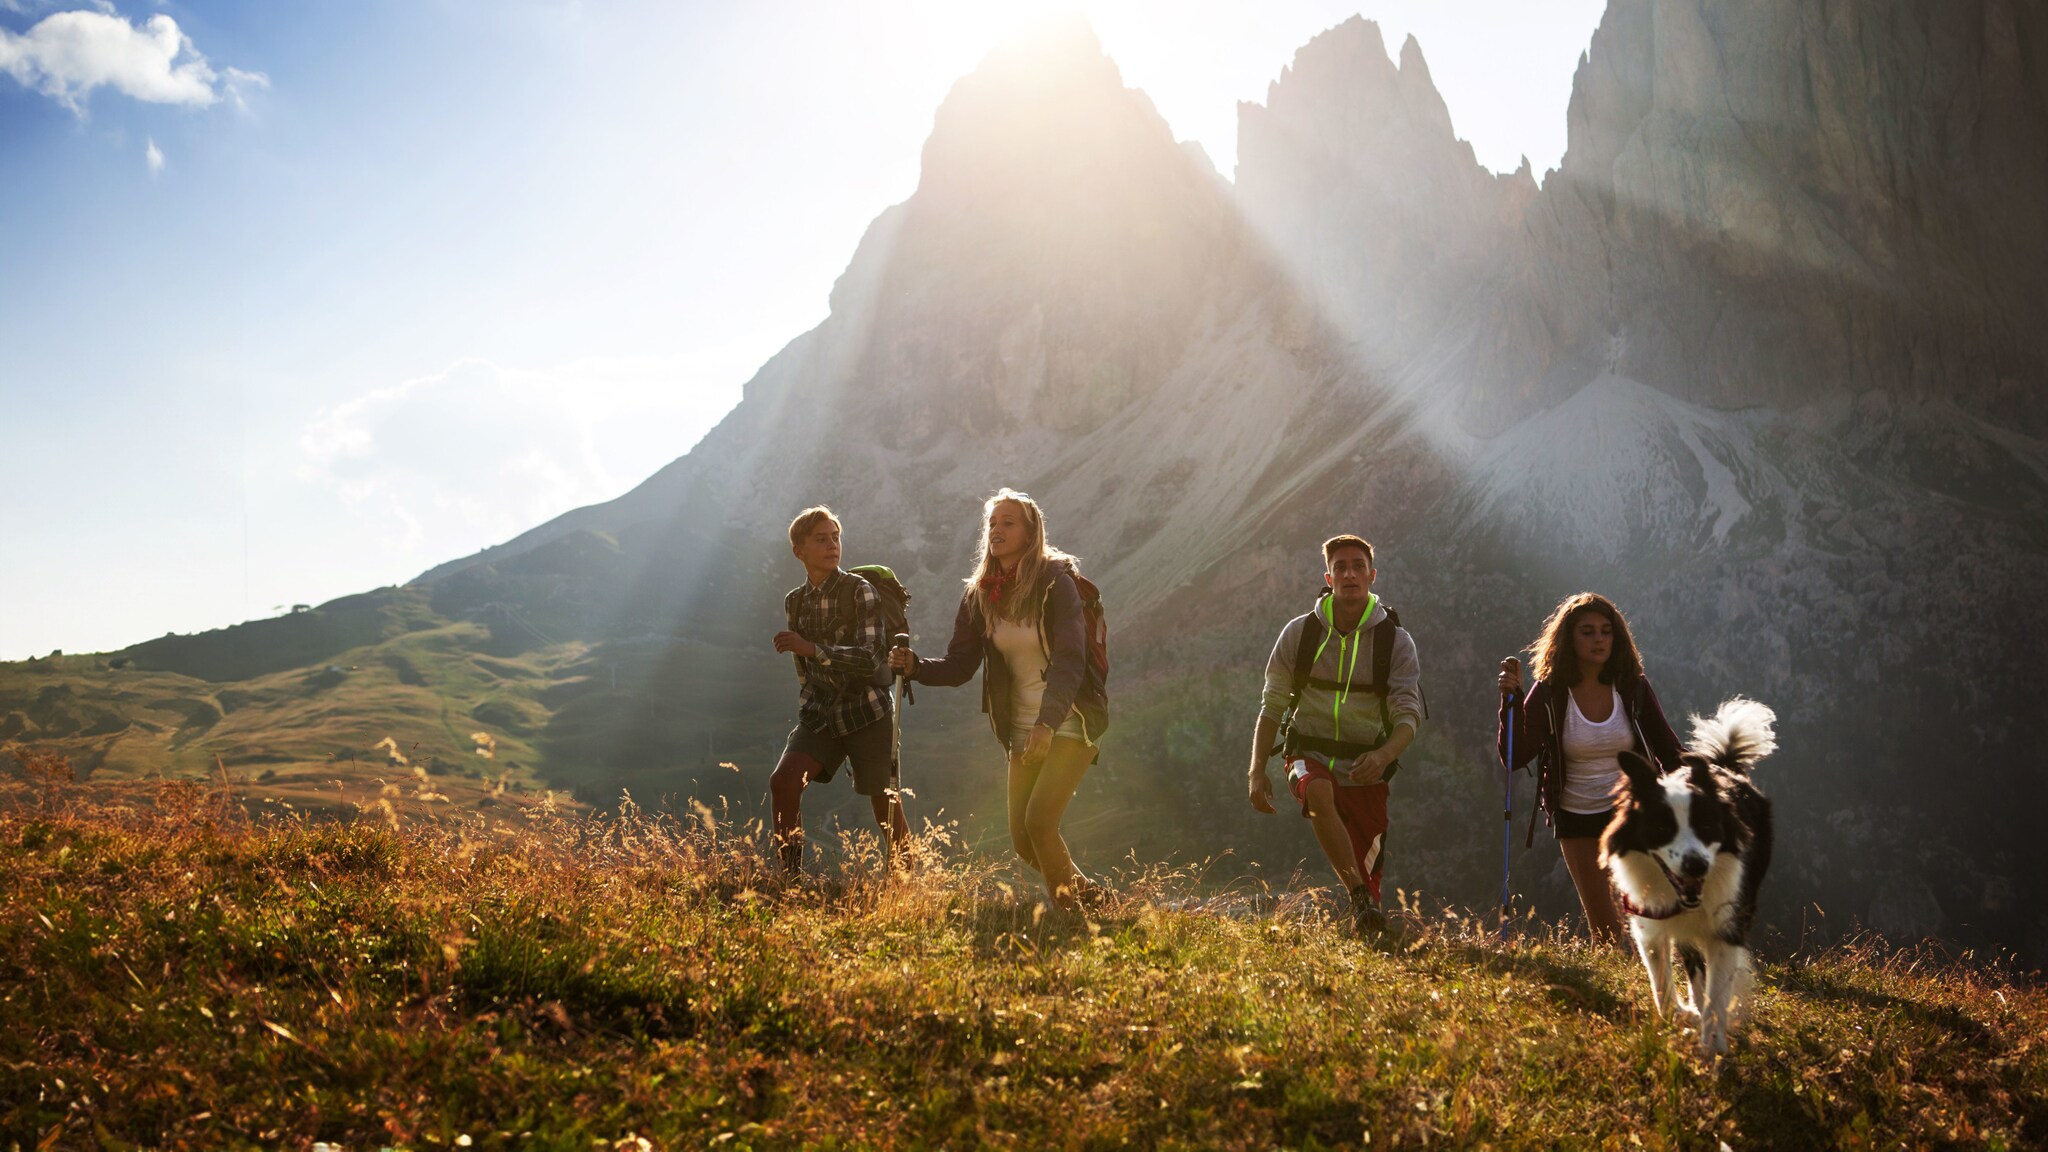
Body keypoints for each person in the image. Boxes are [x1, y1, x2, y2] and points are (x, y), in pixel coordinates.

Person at [889, 489, 1109, 910]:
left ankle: (1069, 919)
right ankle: (1097, 901)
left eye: (1008, 522)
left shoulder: (1055, 584)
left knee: (1040, 823)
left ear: (1030, 533)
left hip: (1070, 717)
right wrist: (915, 666)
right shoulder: (980, 594)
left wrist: (1046, 725)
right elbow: (959, 667)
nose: (996, 529)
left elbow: (1071, 659)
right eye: (992, 523)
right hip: (1019, 727)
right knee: (1025, 843)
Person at [1247, 535, 1423, 937]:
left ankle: (1366, 913)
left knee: (1368, 879)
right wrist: (1257, 770)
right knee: (1318, 793)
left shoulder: (1395, 642)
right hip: (1307, 750)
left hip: (1367, 766)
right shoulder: (1299, 634)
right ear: (1328, 577)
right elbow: (1271, 706)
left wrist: (1383, 756)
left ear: (1372, 575)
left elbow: (1407, 715)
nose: (1349, 574)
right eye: (1340, 567)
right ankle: (1360, 899)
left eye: (1358, 566)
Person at [1497, 592, 1682, 948]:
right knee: (1606, 929)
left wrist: (1703, 784)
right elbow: (1516, 755)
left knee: (1648, 914)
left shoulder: (1632, 687)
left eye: (1606, 631)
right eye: (1588, 632)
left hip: (1632, 814)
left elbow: (1668, 748)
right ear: (1569, 639)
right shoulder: (1550, 691)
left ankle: (1657, 986)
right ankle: (1620, 996)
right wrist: (1512, 702)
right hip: (1575, 814)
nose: (1599, 639)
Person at [769, 506, 910, 875]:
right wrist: (808, 703)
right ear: (799, 550)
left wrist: (814, 649)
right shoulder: (793, 601)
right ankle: (789, 879)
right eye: (821, 539)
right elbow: (803, 671)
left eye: (835, 537)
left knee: (885, 804)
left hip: (868, 711)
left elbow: (871, 657)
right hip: (819, 714)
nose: (832, 545)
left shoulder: (859, 591)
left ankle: (908, 887)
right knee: (783, 783)